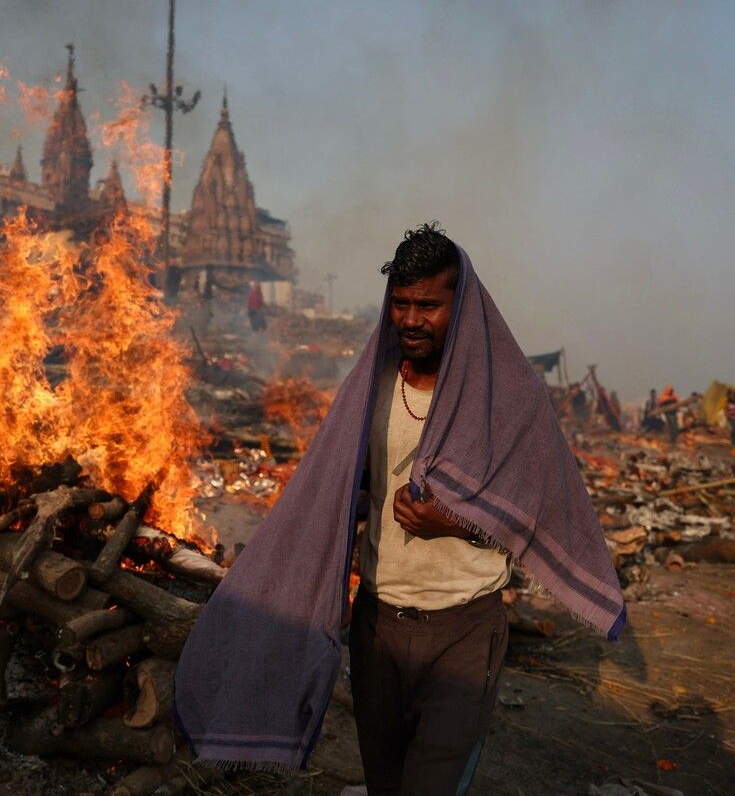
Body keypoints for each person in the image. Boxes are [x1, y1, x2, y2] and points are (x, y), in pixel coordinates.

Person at [174, 223, 625, 794]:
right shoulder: (372, 387)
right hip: (378, 627)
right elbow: (338, 487)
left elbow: (534, 510)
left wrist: (454, 523)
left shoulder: (508, 401)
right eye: (401, 303)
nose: (411, 319)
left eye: (428, 306)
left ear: (461, 308)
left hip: (464, 632)